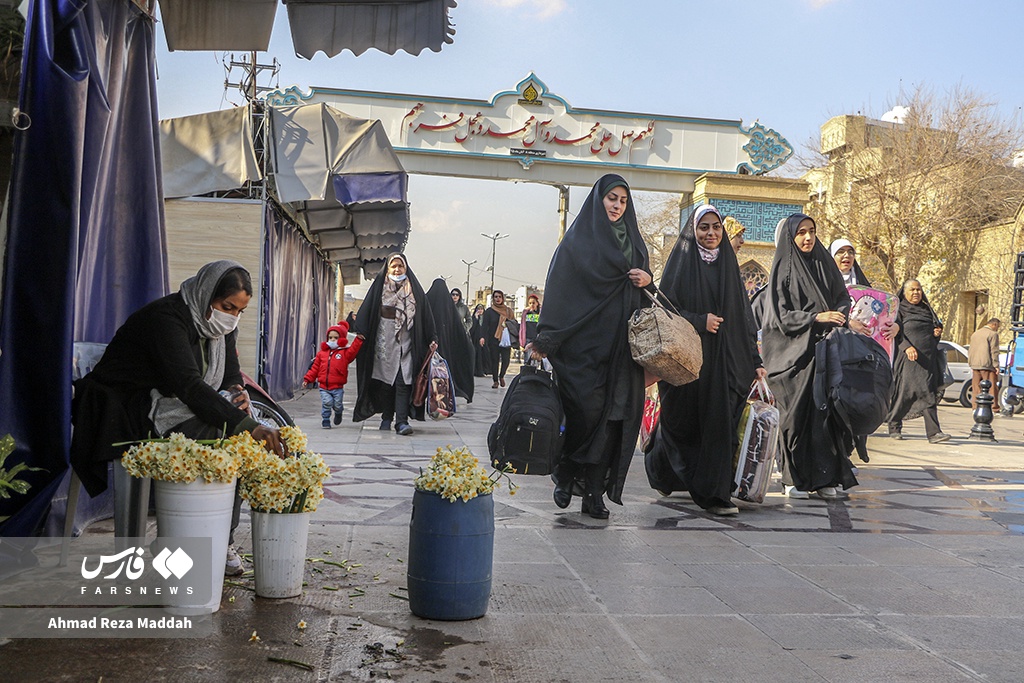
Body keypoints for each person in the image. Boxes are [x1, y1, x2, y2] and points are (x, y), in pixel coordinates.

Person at [70, 260, 288, 576]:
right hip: (123, 408)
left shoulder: (219, 325)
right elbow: (188, 385)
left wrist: (235, 391)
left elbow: (228, 373)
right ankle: (181, 539)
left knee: (235, 439)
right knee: (224, 436)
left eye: (239, 311)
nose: (232, 317)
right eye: (228, 307)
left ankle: (217, 538)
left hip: (169, 402)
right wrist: (247, 426)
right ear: (206, 293)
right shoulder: (166, 319)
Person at [530, 174, 653, 519]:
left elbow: (642, 290)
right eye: (611, 198)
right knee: (585, 412)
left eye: (623, 201)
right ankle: (567, 472)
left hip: (621, 349)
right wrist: (547, 338)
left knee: (613, 419)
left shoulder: (635, 243)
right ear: (598, 199)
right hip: (583, 347)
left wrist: (647, 278)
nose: (616, 206)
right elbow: (559, 289)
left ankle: (594, 494)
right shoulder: (576, 243)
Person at [644, 205, 766, 516]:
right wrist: (700, 321)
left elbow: (743, 320)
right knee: (683, 424)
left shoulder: (729, 266)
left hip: (727, 361)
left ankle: (715, 494)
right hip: (689, 362)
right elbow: (665, 311)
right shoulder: (682, 264)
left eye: (715, 228)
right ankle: (660, 465)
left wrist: (755, 360)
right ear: (693, 231)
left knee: (720, 422)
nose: (710, 234)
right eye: (704, 228)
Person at [761, 214, 857, 500]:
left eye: (812, 231)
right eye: (801, 232)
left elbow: (842, 296)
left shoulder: (822, 263)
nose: (807, 238)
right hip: (791, 357)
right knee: (794, 419)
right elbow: (779, 316)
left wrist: (838, 313)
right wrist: (816, 317)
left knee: (825, 417)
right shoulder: (783, 268)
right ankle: (794, 478)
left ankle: (825, 477)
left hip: (823, 352)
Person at [828, 238, 899, 464]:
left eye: (850, 252)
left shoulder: (865, 286)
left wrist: (896, 326)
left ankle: (847, 455)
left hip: (860, 359)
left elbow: (883, 317)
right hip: (835, 354)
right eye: (841, 252)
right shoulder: (825, 282)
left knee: (856, 402)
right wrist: (848, 324)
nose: (846, 256)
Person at [352, 254, 437, 436]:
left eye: (400, 266)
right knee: (385, 382)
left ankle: (401, 421)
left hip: (407, 342)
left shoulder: (414, 290)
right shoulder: (379, 289)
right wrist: (361, 332)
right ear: (388, 269)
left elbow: (426, 315)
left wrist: (432, 337)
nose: (397, 270)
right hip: (384, 341)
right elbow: (366, 311)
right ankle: (386, 417)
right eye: (394, 266)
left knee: (403, 380)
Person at [886, 280, 951, 443]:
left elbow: (934, 330)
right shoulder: (899, 310)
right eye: (912, 290)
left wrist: (937, 333)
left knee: (927, 392)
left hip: (927, 360)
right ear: (904, 292)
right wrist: (907, 347)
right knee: (905, 393)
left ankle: (934, 433)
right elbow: (895, 333)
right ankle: (894, 425)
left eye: (919, 290)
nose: (916, 293)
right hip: (907, 358)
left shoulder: (926, 309)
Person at [302, 321, 364, 429]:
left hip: (337, 387)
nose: (332, 340)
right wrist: (307, 379)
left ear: (341, 339)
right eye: (330, 337)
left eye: (335, 338)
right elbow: (315, 368)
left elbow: (353, 350)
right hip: (324, 386)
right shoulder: (322, 354)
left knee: (337, 404)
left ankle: (338, 412)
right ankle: (326, 419)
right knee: (327, 403)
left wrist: (358, 340)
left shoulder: (344, 353)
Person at [426, 278, 476, 404]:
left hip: (430, 343)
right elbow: (456, 327)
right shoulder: (449, 305)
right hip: (447, 343)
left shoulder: (427, 300)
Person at [480, 290, 515, 388]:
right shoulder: (489, 311)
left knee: (506, 360)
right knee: (494, 361)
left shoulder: (508, 311)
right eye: (495, 297)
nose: (498, 299)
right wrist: (482, 337)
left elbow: (514, 323)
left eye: (499, 297)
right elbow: (484, 325)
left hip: (506, 340)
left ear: (503, 298)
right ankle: (495, 380)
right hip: (493, 340)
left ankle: (502, 376)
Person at [969, 318, 1002, 409]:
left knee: (976, 386)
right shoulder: (993, 334)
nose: (997, 329)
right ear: (994, 324)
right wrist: (996, 365)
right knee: (991, 386)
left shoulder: (975, 333)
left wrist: (971, 362)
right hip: (987, 364)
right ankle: (994, 407)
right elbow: (994, 351)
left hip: (975, 364)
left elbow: (971, 349)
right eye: (998, 326)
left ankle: (975, 406)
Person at [470, 304, 488, 377]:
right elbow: (472, 329)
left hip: (484, 339)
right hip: (475, 340)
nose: (480, 311)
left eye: (481, 309)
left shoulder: (485, 319)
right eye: (478, 309)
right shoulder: (474, 318)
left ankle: (484, 370)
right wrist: (476, 319)